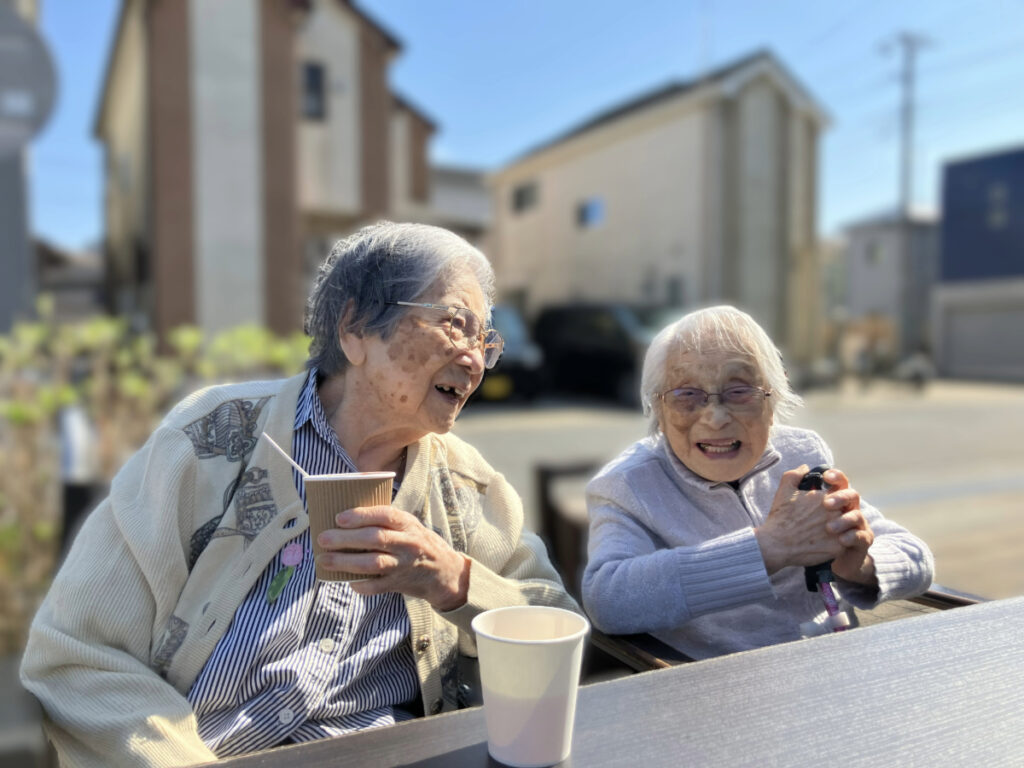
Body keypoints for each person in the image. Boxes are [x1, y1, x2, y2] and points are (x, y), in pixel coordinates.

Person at [21, 222, 577, 767]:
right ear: (355, 328)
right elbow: (77, 656)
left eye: (485, 341)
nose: (475, 361)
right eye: (455, 325)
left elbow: (554, 625)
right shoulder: (211, 441)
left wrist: (453, 580)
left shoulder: (468, 487)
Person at [581, 305, 933, 660]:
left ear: (773, 398)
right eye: (686, 394)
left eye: (739, 391)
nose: (716, 417)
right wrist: (767, 547)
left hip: (833, 664)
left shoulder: (802, 455)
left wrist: (861, 566)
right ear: (658, 407)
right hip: (720, 681)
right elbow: (607, 599)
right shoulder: (627, 485)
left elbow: (917, 559)